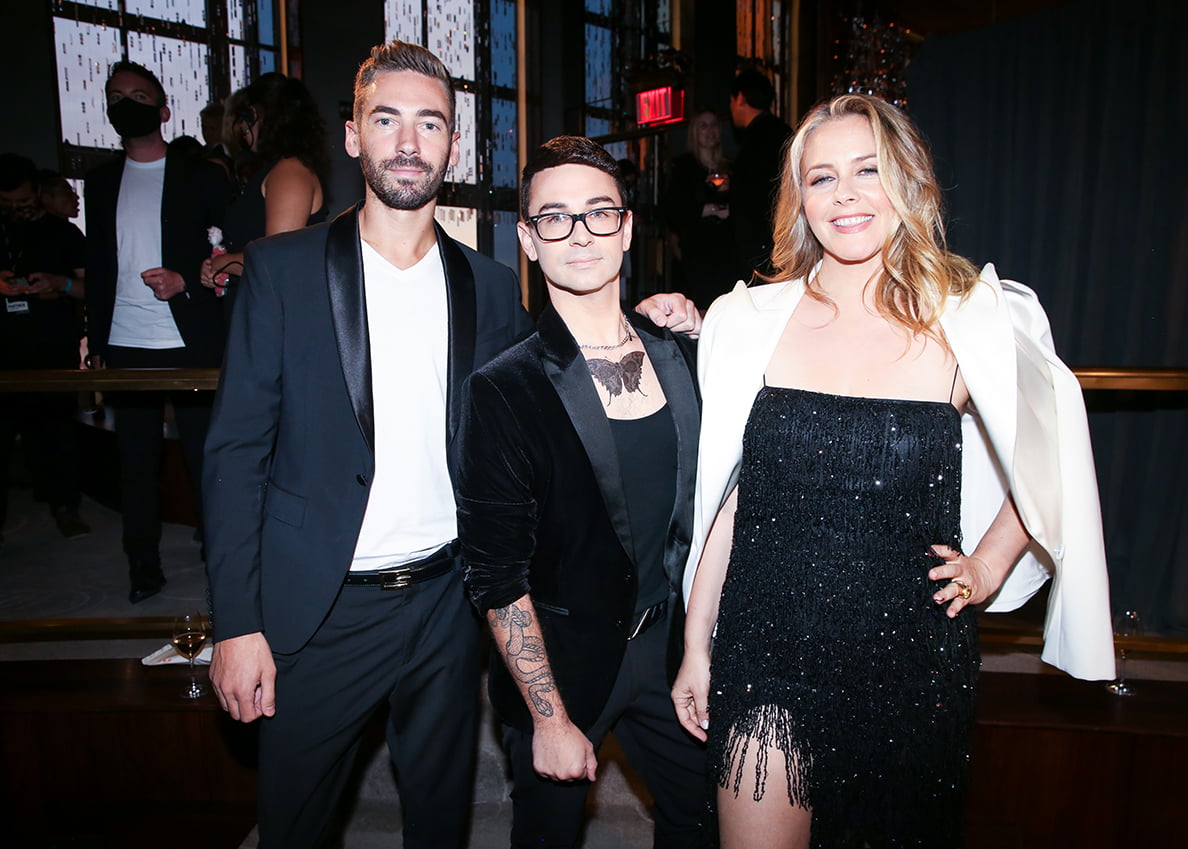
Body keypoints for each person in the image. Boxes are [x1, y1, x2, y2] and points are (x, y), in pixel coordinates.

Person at [203, 42, 701, 849]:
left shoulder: (490, 284)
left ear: (452, 147)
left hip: (448, 603)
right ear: (354, 135)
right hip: (320, 606)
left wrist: (660, 319)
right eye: (387, 119)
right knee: (294, 822)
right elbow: (232, 456)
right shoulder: (281, 271)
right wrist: (237, 622)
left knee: (440, 820)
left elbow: (565, 361)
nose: (408, 141)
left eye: (429, 123)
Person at [671, 94, 1115, 848]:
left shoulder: (967, 318)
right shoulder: (749, 322)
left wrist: (988, 562)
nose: (845, 193)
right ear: (799, 200)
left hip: (911, 662)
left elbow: (1055, 451)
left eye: (868, 170)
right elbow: (732, 498)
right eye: (822, 177)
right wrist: (695, 643)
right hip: (769, 650)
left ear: (907, 182)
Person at [458, 136, 709, 849]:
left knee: (703, 818)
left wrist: (702, 645)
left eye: (599, 214)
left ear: (627, 229)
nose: (580, 234)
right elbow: (496, 573)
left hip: (672, 649)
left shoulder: (683, 353)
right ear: (528, 241)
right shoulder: (503, 389)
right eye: (555, 218)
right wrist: (547, 717)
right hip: (562, 666)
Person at [84, 60, 227, 602]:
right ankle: (142, 566)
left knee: (206, 462)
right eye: (117, 95)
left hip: (190, 339)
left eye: (139, 95)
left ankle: (222, 564)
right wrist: (95, 341)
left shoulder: (199, 176)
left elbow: (225, 253)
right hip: (126, 342)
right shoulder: (99, 182)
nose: (127, 103)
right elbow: (98, 265)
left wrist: (184, 281)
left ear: (163, 110)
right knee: (135, 462)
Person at [0, 154, 89, 542]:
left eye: (22, 202)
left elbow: (92, 290)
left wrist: (60, 285)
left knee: (56, 433)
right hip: (5, 350)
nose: (16, 210)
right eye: (6, 205)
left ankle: (65, 507)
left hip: (52, 347)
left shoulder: (63, 234)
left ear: (37, 192)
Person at [199, 73, 329, 304]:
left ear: (255, 114)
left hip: (275, 316)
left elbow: (279, 259)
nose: (240, 127)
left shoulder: (290, 172)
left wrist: (223, 262)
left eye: (243, 117)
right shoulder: (279, 169)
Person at [663, 109, 737, 306]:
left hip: (728, 250)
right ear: (694, 132)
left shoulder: (730, 167)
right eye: (703, 125)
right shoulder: (684, 167)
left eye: (714, 124)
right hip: (698, 250)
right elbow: (673, 209)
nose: (710, 130)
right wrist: (709, 209)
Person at [727, 69, 791, 282]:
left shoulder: (757, 139)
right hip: (781, 243)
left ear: (741, 98)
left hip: (765, 251)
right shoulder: (782, 132)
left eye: (732, 101)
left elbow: (755, 197)